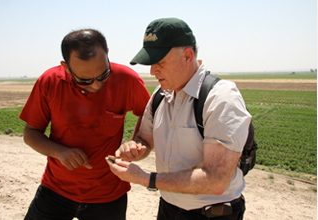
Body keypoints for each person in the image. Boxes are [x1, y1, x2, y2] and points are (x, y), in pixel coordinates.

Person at [106, 18, 251, 220]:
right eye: (150, 64)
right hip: (168, 208)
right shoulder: (160, 95)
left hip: (212, 214)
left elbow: (216, 180)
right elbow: (145, 140)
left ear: (187, 56)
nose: (152, 71)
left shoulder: (221, 98)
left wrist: (146, 179)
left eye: (160, 63)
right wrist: (134, 148)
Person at [19, 29, 151, 220]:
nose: (96, 85)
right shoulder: (49, 82)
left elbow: (149, 118)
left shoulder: (127, 79)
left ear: (107, 53)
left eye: (103, 75)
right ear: (65, 67)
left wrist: (136, 142)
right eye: (84, 80)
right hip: (55, 191)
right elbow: (31, 133)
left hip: (108, 196)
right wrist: (60, 152)